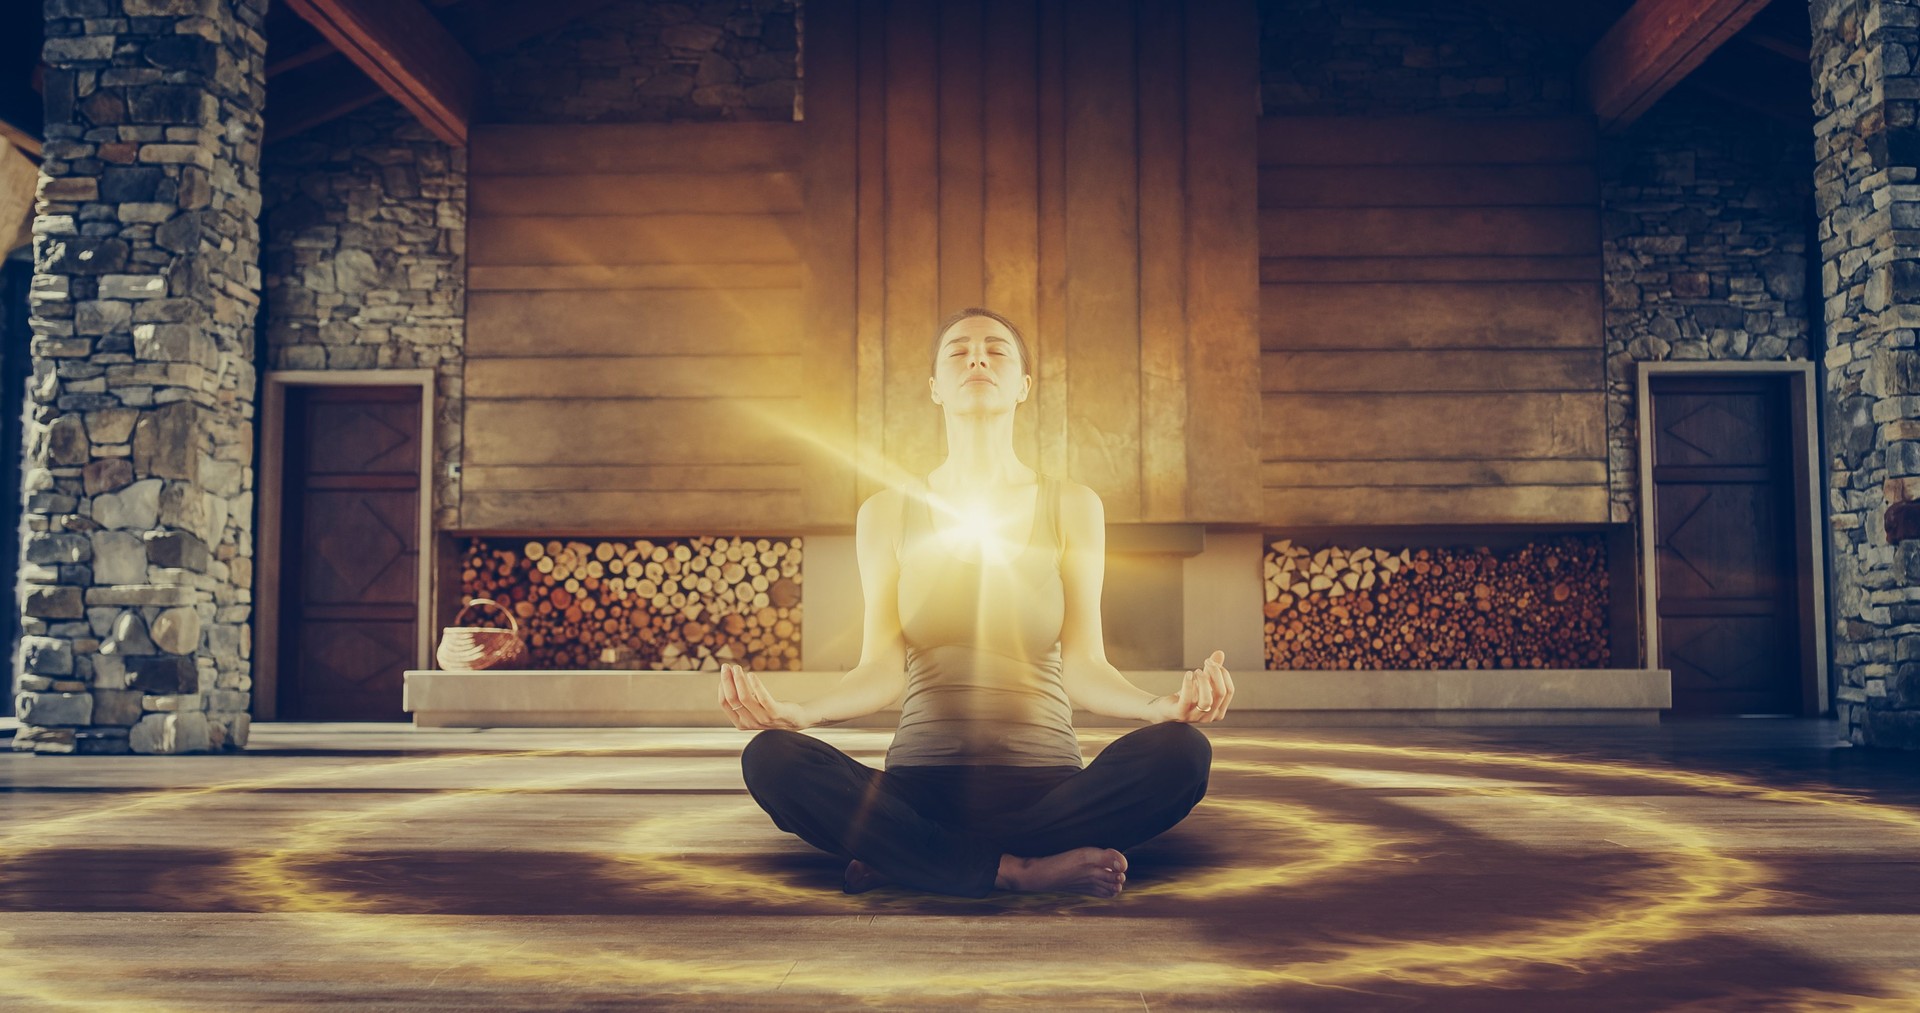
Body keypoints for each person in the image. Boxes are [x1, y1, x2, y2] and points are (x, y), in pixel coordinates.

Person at [718, 307, 1235, 899]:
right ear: (935, 388)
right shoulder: (886, 512)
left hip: (1048, 790)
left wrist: (1158, 708)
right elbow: (879, 671)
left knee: (1182, 754)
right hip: (918, 785)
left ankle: (917, 854)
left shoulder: (1071, 504)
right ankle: (1018, 869)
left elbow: (1086, 667)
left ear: (1024, 387)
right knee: (772, 759)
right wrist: (800, 715)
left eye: (997, 349)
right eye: (958, 351)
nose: (978, 358)